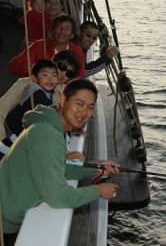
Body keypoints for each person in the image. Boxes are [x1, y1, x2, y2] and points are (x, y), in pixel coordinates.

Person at [0, 78, 120, 239]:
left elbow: (58, 168)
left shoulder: (50, 127)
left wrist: (96, 171)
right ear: (63, 100)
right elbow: (57, 197)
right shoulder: (47, 134)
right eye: (79, 103)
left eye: (90, 107)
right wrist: (98, 191)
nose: (84, 112)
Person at [0, 50, 80, 158]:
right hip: (11, 137)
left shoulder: (65, 95)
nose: (63, 74)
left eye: (69, 73)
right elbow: (2, 110)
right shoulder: (26, 84)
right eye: (61, 66)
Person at [1, 59, 58, 157]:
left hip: (20, 133)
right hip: (15, 132)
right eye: (45, 75)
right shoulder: (35, 91)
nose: (50, 79)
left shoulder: (49, 93)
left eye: (54, 75)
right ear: (34, 78)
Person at [8, 15, 85, 77]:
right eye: (59, 27)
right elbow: (13, 66)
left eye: (66, 28)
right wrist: (35, 69)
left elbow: (79, 77)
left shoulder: (77, 52)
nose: (62, 31)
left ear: (72, 35)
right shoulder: (39, 46)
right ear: (53, 31)